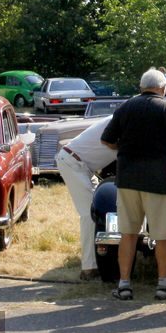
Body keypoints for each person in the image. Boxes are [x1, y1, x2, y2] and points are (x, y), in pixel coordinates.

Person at [101, 68, 166, 300]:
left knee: (128, 233)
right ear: (163, 88)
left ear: (141, 87)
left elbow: (106, 139)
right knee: (163, 235)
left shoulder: (126, 107)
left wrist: (124, 149)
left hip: (127, 178)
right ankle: (164, 285)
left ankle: (124, 284)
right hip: (158, 180)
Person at [55, 116, 118, 280]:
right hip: (74, 162)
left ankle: (96, 262)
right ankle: (89, 268)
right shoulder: (122, 120)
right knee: (89, 214)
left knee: (94, 212)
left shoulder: (121, 117)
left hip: (83, 165)